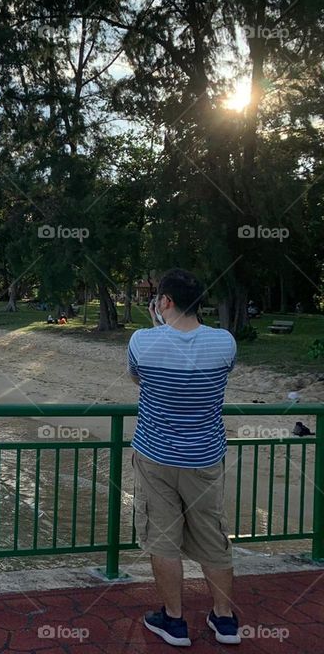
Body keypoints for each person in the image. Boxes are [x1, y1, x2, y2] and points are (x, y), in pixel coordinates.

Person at [127, 268, 239, 646]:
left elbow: (138, 378)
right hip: (205, 459)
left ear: (165, 302)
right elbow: (223, 373)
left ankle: (174, 621)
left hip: (155, 458)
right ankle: (224, 620)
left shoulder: (142, 341)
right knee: (212, 537)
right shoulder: (224, 342)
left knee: (162, 539)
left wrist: (157, 327)